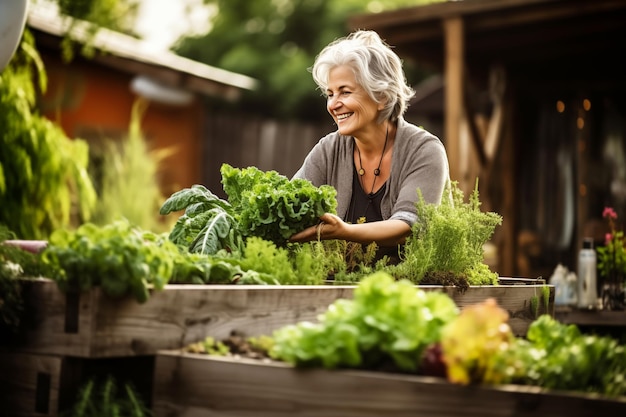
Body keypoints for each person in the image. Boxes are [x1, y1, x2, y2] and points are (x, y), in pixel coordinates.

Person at [289, 30, 450, 262]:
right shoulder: (328, 150)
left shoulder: (424, 150)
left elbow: (410, 224)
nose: (334, 104)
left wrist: (345, 232)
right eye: (330, 94)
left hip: (417, 288)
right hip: (341, 287)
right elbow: (290, 202)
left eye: (345, 92)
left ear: (381, 96)